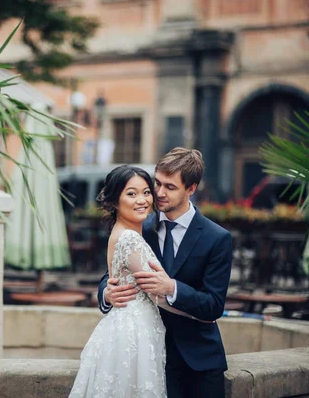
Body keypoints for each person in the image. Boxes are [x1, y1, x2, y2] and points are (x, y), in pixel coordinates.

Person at [98, 148, 233, 398]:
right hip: (148, 356)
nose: (158, 193)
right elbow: (113, 272)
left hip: (198, 362)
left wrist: (172, 289)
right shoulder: (140, 226)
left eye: (170, 187)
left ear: (191, 188)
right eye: (157, 183)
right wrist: (107, 294)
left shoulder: (218, 239)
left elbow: (214, 305)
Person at [69, 165, 210, 398]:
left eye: (146, 192)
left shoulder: (132, 230)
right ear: (115, 201)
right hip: (133, 334)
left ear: (191, 189)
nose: (142, 200)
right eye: (131, 194)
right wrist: (201, 314)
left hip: (140, 331)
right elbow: (158, 294)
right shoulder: (130, 238)